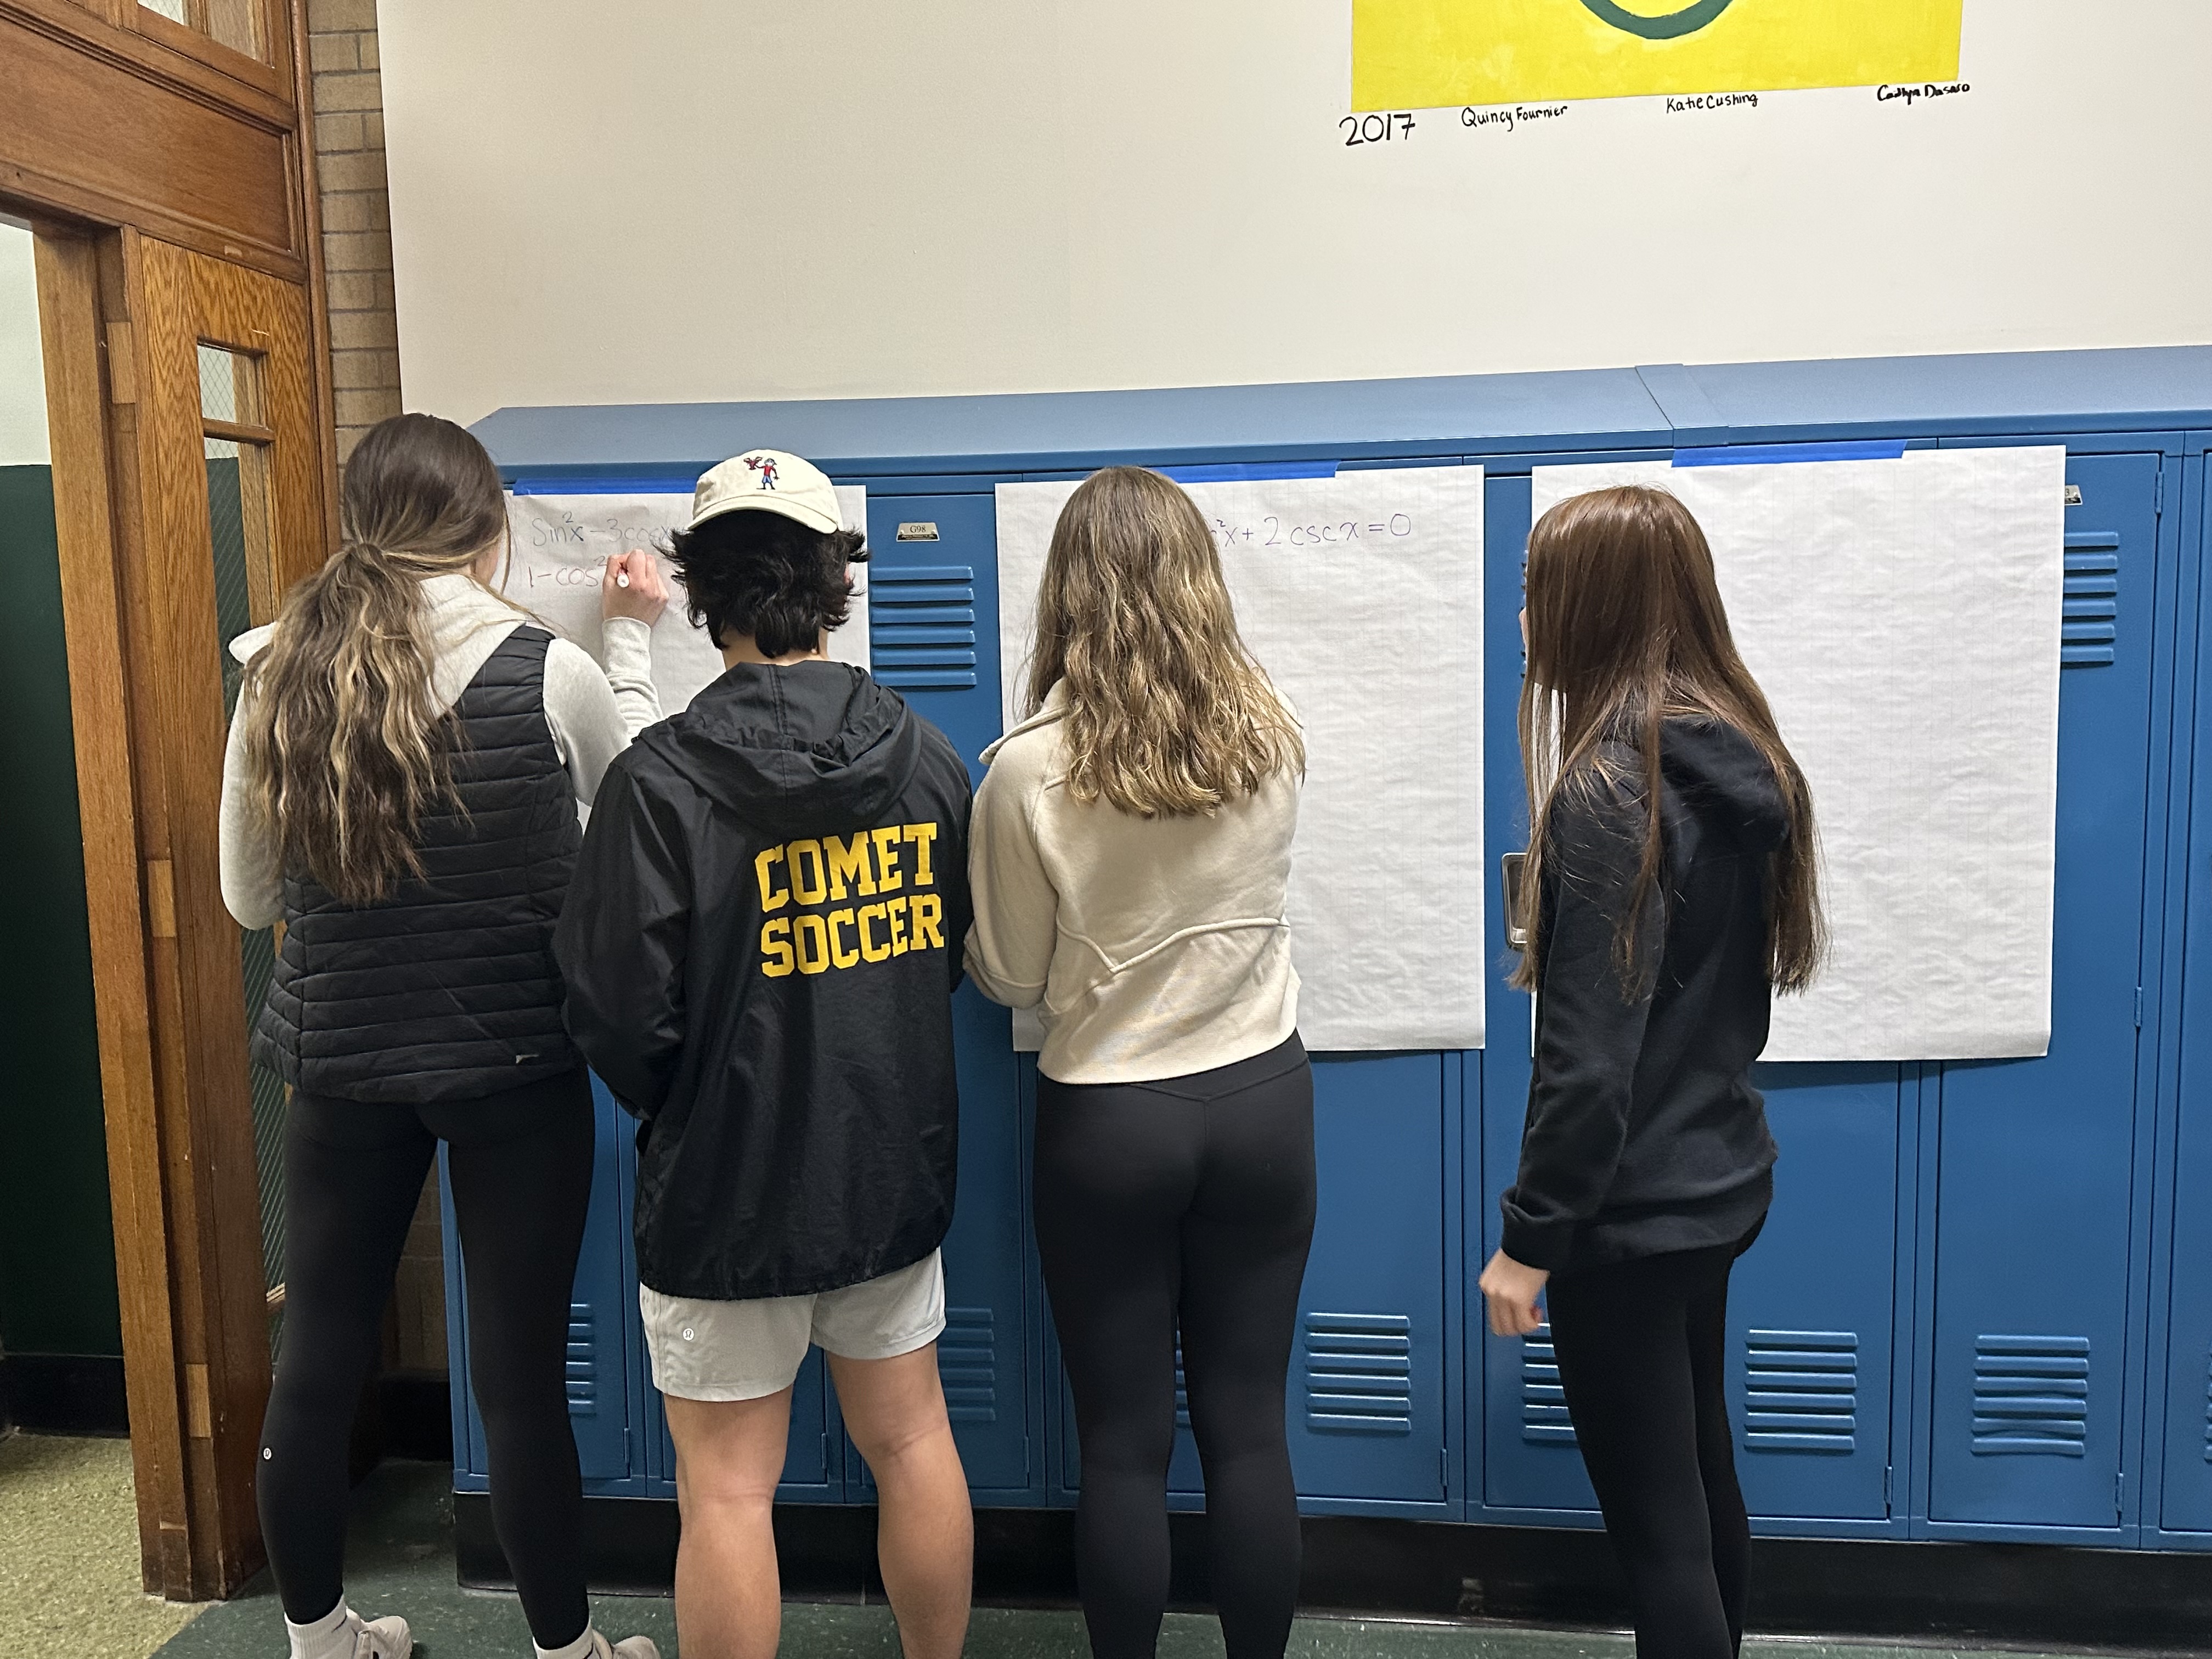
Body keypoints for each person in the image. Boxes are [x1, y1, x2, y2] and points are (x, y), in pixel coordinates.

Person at [221, 413, 667, 1659]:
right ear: (490, 534)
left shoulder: (274, 672)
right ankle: (567, 1649)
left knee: (317, 1362)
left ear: (359, 524)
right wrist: (630, 642)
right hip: (515, 1068)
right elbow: (634, 827)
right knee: (518, 1378)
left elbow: (248, 899)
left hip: (343, 1071)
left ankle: (321, 1640)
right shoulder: (549, 671)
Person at [555, 449, 977, 1659]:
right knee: (913, 1440)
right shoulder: (926, 758)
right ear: (836, 583)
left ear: (703, 594)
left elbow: (615, 1010)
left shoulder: (656, 785)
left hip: (722, 1192)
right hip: (885, 1173)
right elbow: (943, 957)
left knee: (730, 1495)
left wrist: (694, 1096)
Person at [966, 466, 1311, 1659]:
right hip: (1264, 1100)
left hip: (1112, 1120)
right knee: (1250, 1429)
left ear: (1068, 593)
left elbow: (1012, 976)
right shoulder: (1271, 731)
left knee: (1123, 1445)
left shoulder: (1027, 770)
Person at [1479, 484, 1824, 1659]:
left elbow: (1587, 1068)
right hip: (1717, 1186)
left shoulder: (1606, 790)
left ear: (1595, 608)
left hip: (1629, 1219)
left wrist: (1529, 1241)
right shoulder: (1734, 760)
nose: (1523, 617)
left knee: (1660, 1539)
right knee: (1700, 1475)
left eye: (1537, 591)